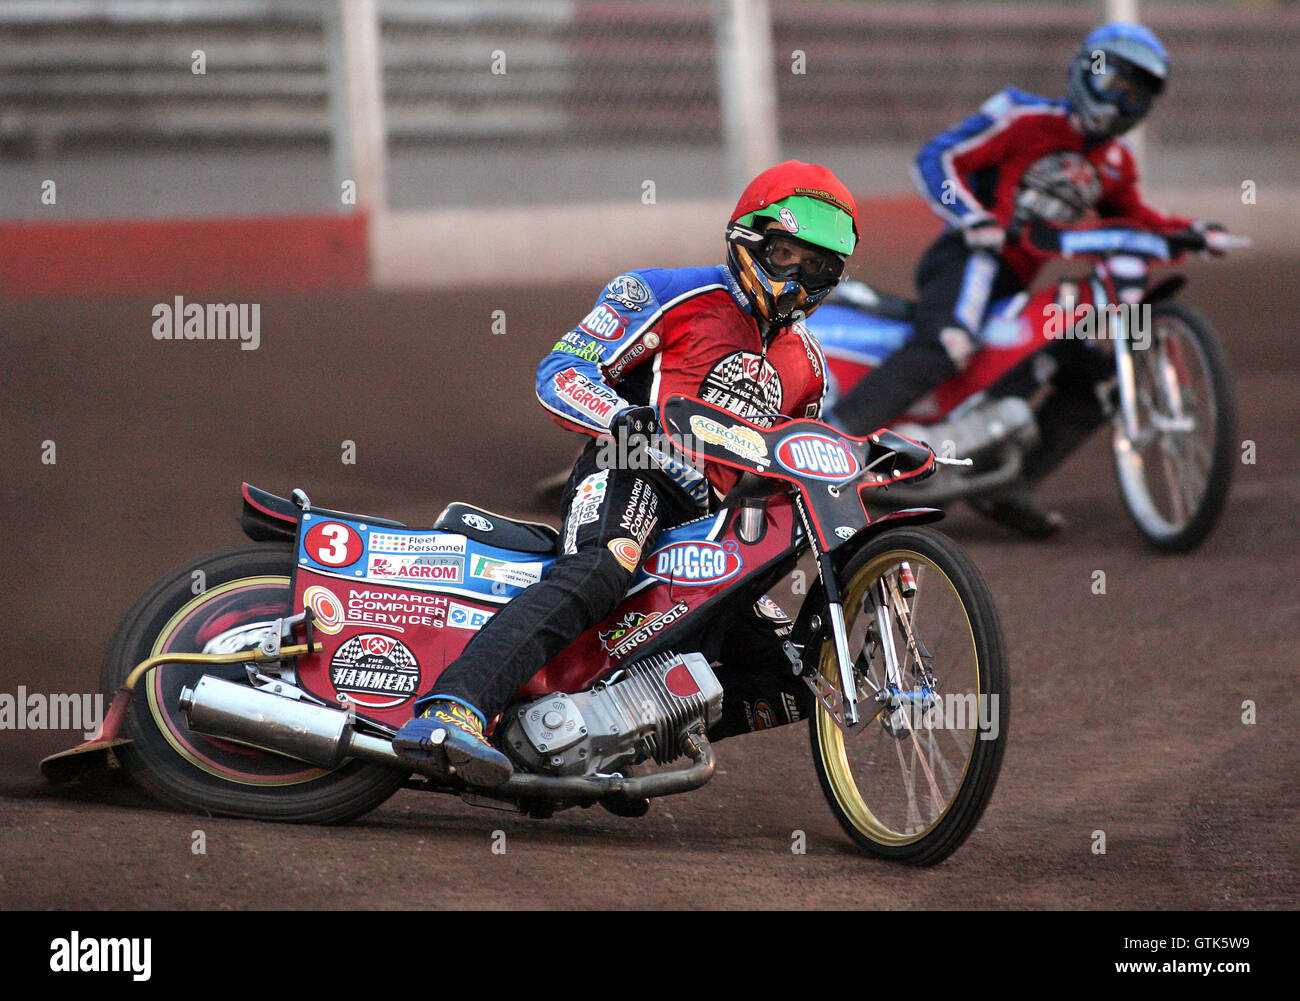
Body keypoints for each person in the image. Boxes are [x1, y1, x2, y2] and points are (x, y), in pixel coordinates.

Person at [392, 160, 859, 787]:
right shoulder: (663, 292)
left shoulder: (808, 366)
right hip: (628, 468)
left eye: (819, 268)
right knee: (604, 568)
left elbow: (790, 465)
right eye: (785, 255)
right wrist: (621, 419)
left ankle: (604, 744)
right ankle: (453, 709)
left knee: (787, 667)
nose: (799, 279)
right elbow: (559, 372)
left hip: (707, 516)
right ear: (747, 240)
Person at [830, 23, 1214, 537]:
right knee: (949, 342)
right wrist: (973, 217)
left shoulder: (1117, 162)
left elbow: (1134, 218)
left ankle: (1007, 485)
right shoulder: (1022, 115)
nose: (1125, 101)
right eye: (1117, 83)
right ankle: (833, 445)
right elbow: (939, 157)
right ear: (1086, 70)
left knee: (1094, 378)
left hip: (1014, 285)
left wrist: (1190, 232)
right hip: (968, 256)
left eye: (1138, 94)